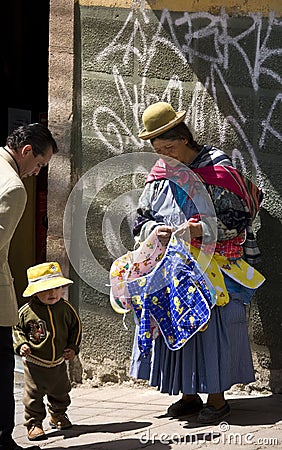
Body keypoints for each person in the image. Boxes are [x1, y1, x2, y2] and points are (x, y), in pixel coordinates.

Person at [129, 102, 265, 424]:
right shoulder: (160, 173)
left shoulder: (216, 167)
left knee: (212, 326)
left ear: (186, 139)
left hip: (215, 266)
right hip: (173, 267)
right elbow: (141, 219)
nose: (166, 156)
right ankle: (188, 395)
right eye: (159, 150)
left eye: (170, 147)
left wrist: (200, 229)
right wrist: (154, 231)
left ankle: (217, 401)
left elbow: (239, 217)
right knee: (176, 324)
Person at [0, 123, 58, 450]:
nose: (36, 172)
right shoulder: (13, 187)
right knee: (2, 366)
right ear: (26, 151)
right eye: (39, 164)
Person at [13, 262, 82, 441]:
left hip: (58, 362)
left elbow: (76, 328)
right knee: (33, 395)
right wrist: (21, 345)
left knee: (61, 391)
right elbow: (16, 329)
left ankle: (58, 415)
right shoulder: (27, 312)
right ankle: (34, 423)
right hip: (35, 362)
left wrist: (73, 348)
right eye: (46, 289)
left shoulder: (66, 309)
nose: (53, 293)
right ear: (35, 291)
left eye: (57, 288)